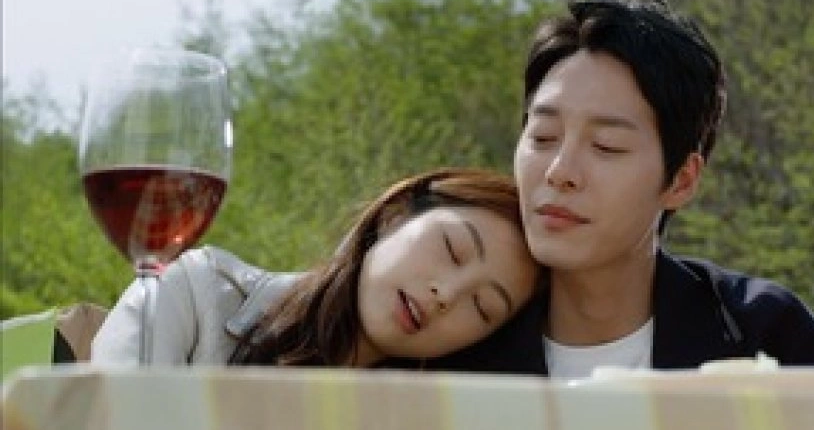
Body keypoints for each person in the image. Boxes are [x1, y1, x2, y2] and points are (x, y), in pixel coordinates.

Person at [503, 0, 814, 379]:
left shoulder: (769, 333)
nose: (560, 172)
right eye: (543, 137)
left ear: (681, 180)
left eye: (606, 146)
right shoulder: (466, 337)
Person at [91, 167, 542, 371]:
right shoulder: (196, 291)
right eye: (452, 249)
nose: (447, 294)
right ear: (395, 215)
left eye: (482, 307)